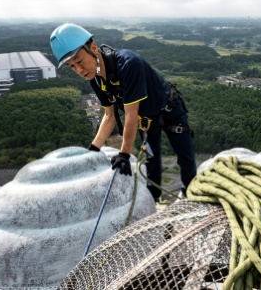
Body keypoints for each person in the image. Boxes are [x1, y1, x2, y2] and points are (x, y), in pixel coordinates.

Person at [50, 23, 197, 201]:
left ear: (94, 48)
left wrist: (124, 154)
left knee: (185, 157)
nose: (79, 70)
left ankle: (190, 194)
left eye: (80, 61)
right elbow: (109, 115)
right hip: (146, 119)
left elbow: (130, 114)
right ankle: (153, 199)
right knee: (151, 160)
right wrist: (93, 151)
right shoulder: (96, 79)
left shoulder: (128, 64)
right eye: (72, 66)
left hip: (170, 111)